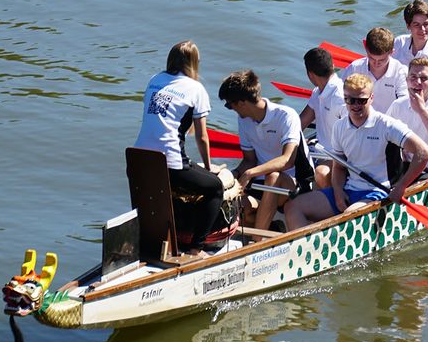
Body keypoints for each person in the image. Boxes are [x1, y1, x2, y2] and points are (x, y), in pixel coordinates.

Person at [284, 73, 428, 230]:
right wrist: (338, 192)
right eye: (350, 100)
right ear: (344, 99)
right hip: (350, 189)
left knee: (347, 218)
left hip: (379, 191)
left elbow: (424, 153)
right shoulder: (339, 127)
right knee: (293, 207)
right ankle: (307, 244)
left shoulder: (387, 125)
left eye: (361, 100)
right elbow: (339, 167)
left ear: (371, 98)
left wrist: (401, 187)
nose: (355, 105)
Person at [133, 40, 224, 245]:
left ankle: (151, 240)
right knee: (215, 188)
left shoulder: (155, 79)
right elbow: (202, 137)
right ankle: (196, 247)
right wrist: (209, 168)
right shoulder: (196, 89)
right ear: (194, 63)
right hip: (169, 163)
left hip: (139, 160)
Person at [219, 69, 310, 232]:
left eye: (229, 105)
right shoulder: (244, 121)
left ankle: (257, 240)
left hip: (294, 180)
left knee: (273, 177)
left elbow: (287, 160)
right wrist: (233, 174)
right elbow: (249, 160)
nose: (231, 109)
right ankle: (274, 228)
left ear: (242, 103)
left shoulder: (286, 116)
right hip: (260, 182)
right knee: (237, 207)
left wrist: (249, 174)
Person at [298, 47, 346, 188]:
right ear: (332, 66)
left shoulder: (340, 97)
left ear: (310, 74)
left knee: (321, 172)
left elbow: (353, 136)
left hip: (338, 156)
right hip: (319, 151)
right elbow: (300, 123)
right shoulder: (317, 92)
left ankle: (329, 199)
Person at [343, 27, 408, 113]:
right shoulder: (354, 68)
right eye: (372, 58)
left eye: (382, 60)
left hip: (389, 119)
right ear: (366, 49)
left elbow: (404, 104)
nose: (376, 63)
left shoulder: (401, 72)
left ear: (392, 52)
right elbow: (341, 98)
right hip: (360, 117)